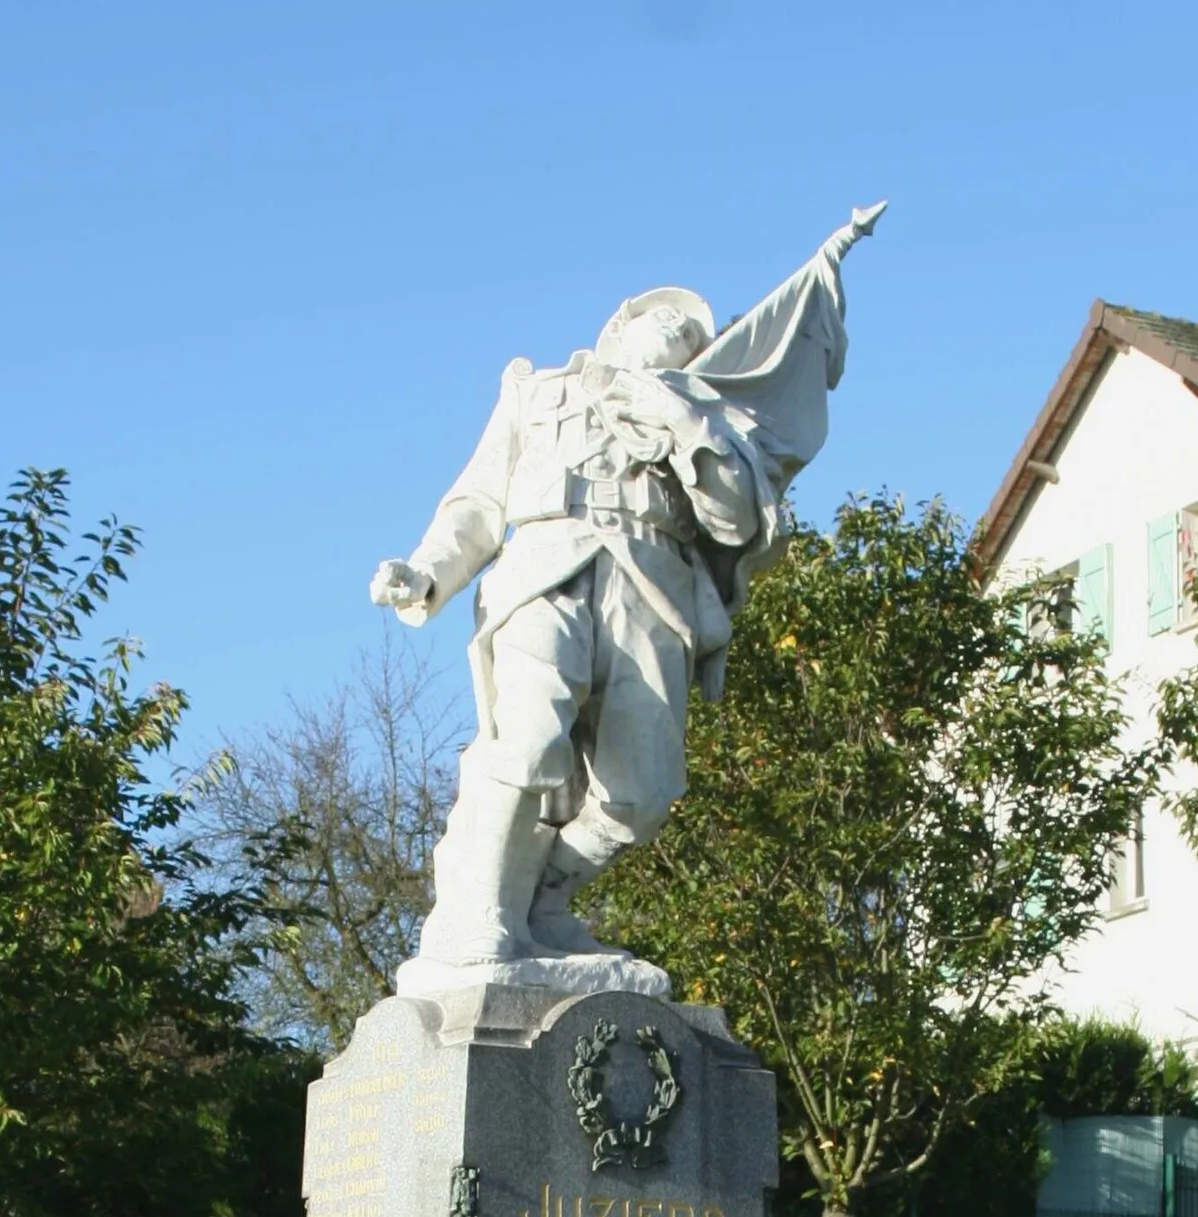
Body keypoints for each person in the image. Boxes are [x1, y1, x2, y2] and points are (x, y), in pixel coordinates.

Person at [372, 205, 884, 970]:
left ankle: (537, 902)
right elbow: (477, 503)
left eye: (691, 340)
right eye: (669, 328)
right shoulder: (536, 391)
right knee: (530, 735)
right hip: (546, 564)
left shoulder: (698, 417)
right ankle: (477, 915)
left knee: (640, 793)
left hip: (653, 585)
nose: (680, 342)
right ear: (620, 326)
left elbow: (740, 522)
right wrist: (428, 570)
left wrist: (686, 423)